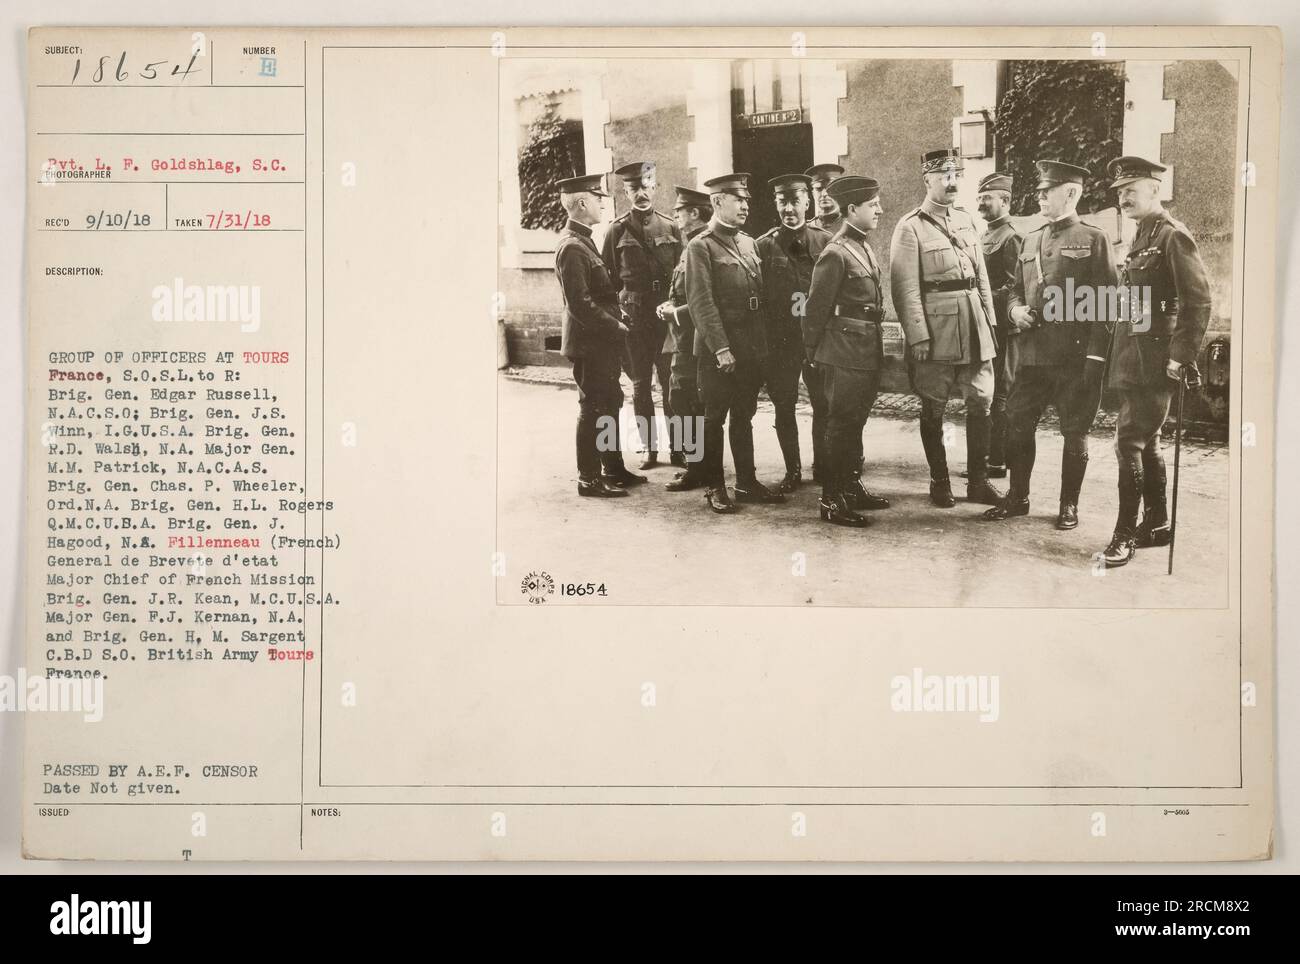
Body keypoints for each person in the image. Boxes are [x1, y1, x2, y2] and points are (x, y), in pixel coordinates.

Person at [981, 160, 1116, 529]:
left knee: (1075, 432)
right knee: (1017, 422)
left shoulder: (1094, 238)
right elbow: (1013, 289)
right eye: (1039, 190)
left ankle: (1068, 505)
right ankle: (1017, 497)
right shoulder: (1030, 239)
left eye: (1048, 190)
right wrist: (1014, 312)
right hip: (1034, 356)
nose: (1039, 195)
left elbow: (1108, 303)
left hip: (1074, 357)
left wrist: (1095, 357)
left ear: (1071, 193)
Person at [1098, 155, 1213, 568]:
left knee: (1128, 441)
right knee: (1149, 442)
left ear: (1154, 189)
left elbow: (1197, 300)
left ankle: (1125, 534)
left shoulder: (1171, 236)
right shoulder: (1141, 235)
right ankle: (1159, 523)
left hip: (1157, 360)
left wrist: (1181, 356)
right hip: (1132, 355)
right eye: (1119, 192)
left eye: (1131, 189)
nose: (1123, 197)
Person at [889, 148, 1002, 508]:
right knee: (934, 404)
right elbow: (904, 288)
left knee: (981, 400)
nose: (952, 183)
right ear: (928, 181)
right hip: (938, 329)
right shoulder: (910, 227)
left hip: (974, 321)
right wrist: (918, 334)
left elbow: (980, 275)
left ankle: (979, 482)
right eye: (944, 177)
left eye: (956, 176)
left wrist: (991, 321)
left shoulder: (967, 220)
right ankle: (939, 482)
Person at [685, 172, 785, 513]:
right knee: (714, 418)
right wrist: (721, 348)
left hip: (750, 346)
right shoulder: (700, 246)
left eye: (746, 200)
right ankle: (715, 486)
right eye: (737, 199)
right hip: (720, 349)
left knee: (744, 415)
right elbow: (701, 302)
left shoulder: (748, 242)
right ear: (716, 201)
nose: (745, 205)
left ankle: (747, 482)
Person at [802, 175, 892, 527]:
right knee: (839, 425)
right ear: (852, 209)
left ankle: (851, 487)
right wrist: (812, 353)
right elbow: (814, 310)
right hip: (842, 352)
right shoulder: (835, 253)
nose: (880, 210)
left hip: (865, 348)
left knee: (855, 422)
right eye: (873, 205)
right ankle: (831, 499)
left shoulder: (863, 246)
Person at [553, 173, 641, 497]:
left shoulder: (584, 241)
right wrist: (615, 325)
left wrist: (619, 314)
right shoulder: (572, 247)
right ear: (581, 203)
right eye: (597, 198)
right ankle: (588, 479)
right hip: (591, 344)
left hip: (600, 341)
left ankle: (613, 469)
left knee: (610, 402)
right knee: (592, 407)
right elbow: (580, 304)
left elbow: (598, 295)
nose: (602, 203)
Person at [602, 160, 683, 469]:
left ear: (655, 186)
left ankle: (678, 448)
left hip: (663, 314)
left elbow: (680, 273)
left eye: (646, 185)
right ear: (626, 192)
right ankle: (650, 449)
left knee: (670, 383)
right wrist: (619, 314)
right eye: (634, 188)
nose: (641, 193)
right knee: (639, 386)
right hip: (634, 317)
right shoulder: (616, 230)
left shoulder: (670, 226)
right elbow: (608, 279)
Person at [755, 173, 833, 491]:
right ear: (776, 205)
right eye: (782, 202)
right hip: (781, 340)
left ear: (807, 202)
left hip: (816, 339)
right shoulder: (764, 245)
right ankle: (793, 470)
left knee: (822, 404)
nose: (789, 209)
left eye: (795, 201)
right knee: (784, 404)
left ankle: (823, 465)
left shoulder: (825, 241)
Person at [657, 186, 712, 492]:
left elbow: (708, 299)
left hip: (692, 339)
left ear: (694, 213)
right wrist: (671, 307)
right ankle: (698, 464)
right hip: (685, 337)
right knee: (686, 400)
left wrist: (675, 313)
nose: (675, 215)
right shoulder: (691, 244)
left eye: (680, 210)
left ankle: (697, 468)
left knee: (684, 399)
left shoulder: (697, 246)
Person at [975, 171, 1023, 479]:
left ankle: (998, 461)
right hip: (987, 325)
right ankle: (987, 457)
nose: (980, 203)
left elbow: (1014, 285)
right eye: (979, 198)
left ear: (1004, 200)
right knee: (987, 392)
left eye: (986, 198)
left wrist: (979, 296)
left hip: (1005, 329)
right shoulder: (984, 235)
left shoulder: (1011, 236)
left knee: (1001, 393)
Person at [806, 163, 846, 235]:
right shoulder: (807, 229)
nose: (824, 194)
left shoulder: (851, 227)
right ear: (813, 194)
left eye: (830, 189)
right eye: (819, 189)